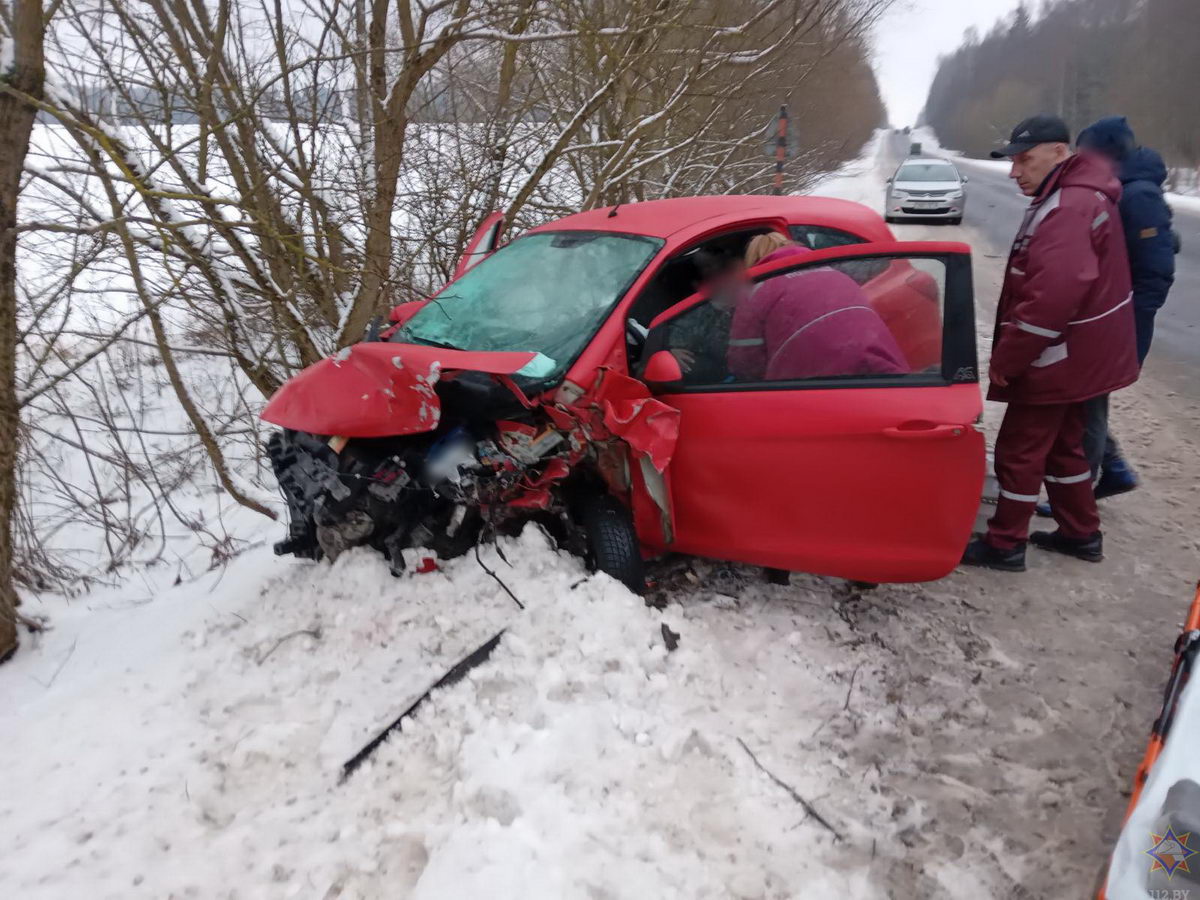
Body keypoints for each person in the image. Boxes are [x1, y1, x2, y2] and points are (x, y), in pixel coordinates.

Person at [961, 115, 1140, 572]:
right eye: (1013, 161)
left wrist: (1009, 360)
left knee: (1019, 451)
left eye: (1025, 159)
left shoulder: (1069, 206)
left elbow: (1051, 299)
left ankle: (1005, 544)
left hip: (1057, 356)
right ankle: (1081, 533)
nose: (1015, 171)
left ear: (1060, 152)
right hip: (1077, 355)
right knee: (1064, 448)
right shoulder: (1071, 197)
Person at [1033, 116, 1177, 508]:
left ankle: (1079, 495)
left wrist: (1127, 322)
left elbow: (1156, 271)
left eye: (1086, 152)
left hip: (1119, 323)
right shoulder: (1119, 189)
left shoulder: (1138, 195)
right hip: (1105, 319)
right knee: (1086, 400)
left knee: (1085, 403)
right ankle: (1112, 470)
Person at [726, 233, 908, 381]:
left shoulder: (755, 291)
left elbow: (744, 362)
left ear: (753, 261)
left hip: (815, 389)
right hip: (885, 377)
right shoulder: (836, 274)